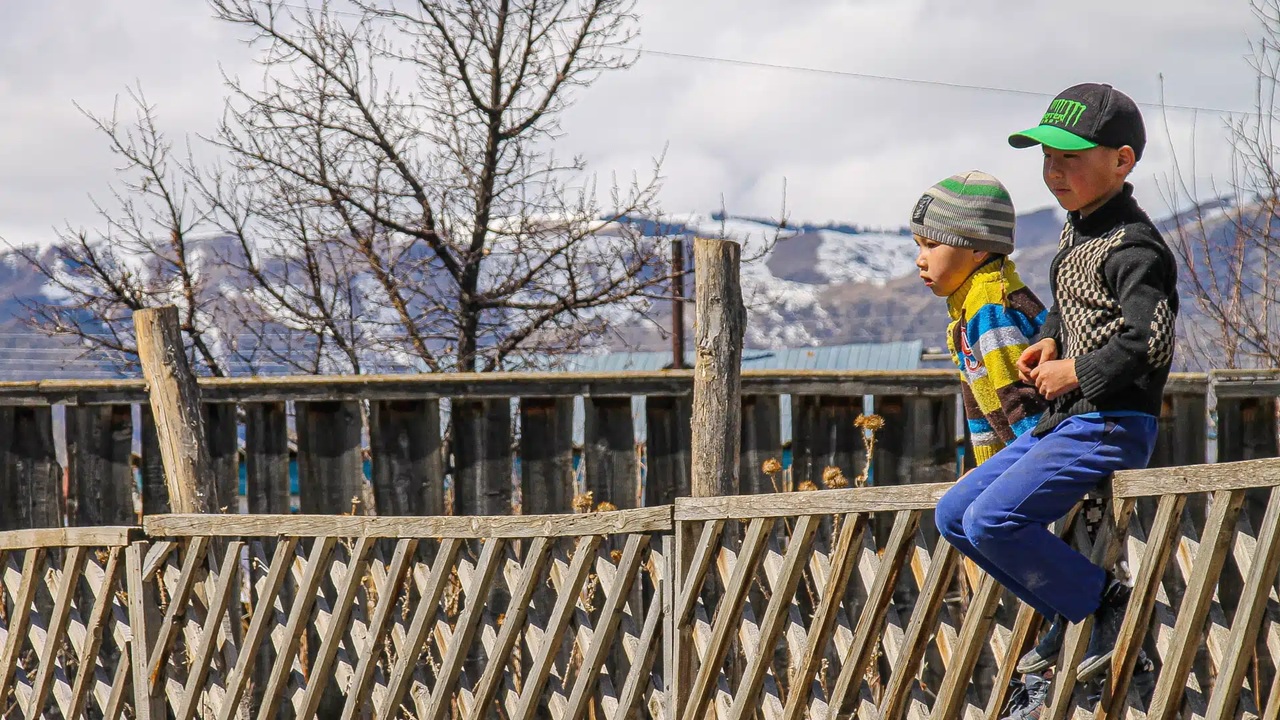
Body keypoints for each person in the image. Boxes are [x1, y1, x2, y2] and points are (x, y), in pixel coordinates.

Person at [933, 83, 1179, 708]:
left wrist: (1076, 372)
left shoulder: (1134, 247)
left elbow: (1147, 340)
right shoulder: (1076, 235)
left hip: (1111, 420)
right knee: (956, 516)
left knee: (994, 519)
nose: (1053, 171)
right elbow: (1075, 311)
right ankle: (1077, 614)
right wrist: (1047, 339)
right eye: (1046, 157)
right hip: (1068, 422)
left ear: (1122, 161)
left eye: (1070, 157)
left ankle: (1105, 607)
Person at [910, 170, 1048, 466]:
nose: (920, 259)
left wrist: (1029, 468)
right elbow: (979, 401)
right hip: (1024, 453)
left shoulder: (992, 308)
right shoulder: (966, 312)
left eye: (932, 245)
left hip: (1040, 452)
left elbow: (1020, 396)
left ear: (978, 248)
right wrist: (986, 467)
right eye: (918, 245)